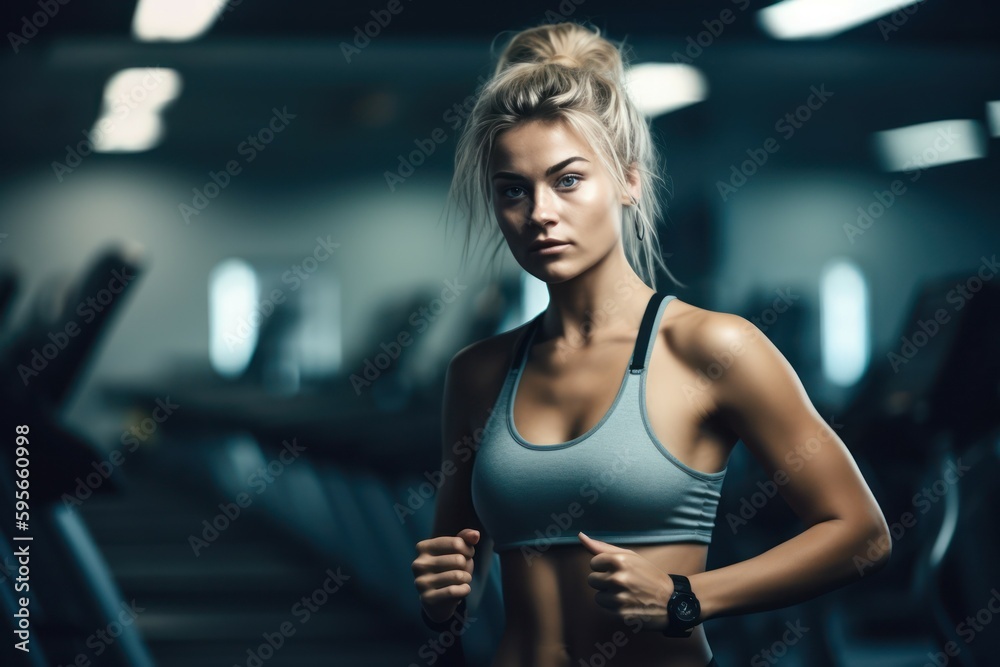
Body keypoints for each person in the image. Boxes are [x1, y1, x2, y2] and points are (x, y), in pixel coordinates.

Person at [410, 21, 891, 667]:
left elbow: (860, 532)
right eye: (513, 190)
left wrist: (689, 595)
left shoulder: (714, 347)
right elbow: (454, 594)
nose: (540, 213)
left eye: (569, 179)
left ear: (629, 181)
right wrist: (441, 596)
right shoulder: (478, 374)